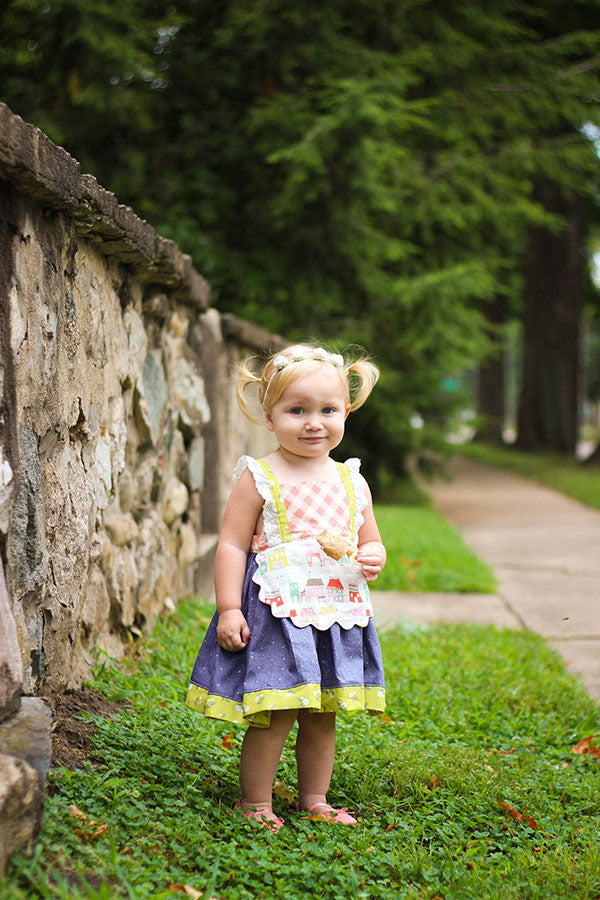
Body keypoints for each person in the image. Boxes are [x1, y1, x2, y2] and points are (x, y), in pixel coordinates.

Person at [186, 344, 386, 831]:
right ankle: (255, 802)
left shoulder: (351, 480)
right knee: (276, 710)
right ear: (269, 416)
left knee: (322, 715)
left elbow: (371, 540)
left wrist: (374, 556)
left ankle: (314, 797)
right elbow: (232, 545)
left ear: (346, 412)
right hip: (276, 615)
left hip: (334, 611)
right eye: (297, 410)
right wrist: (230, 608)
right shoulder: (260, 477)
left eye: (328, 410)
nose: (314, 422)